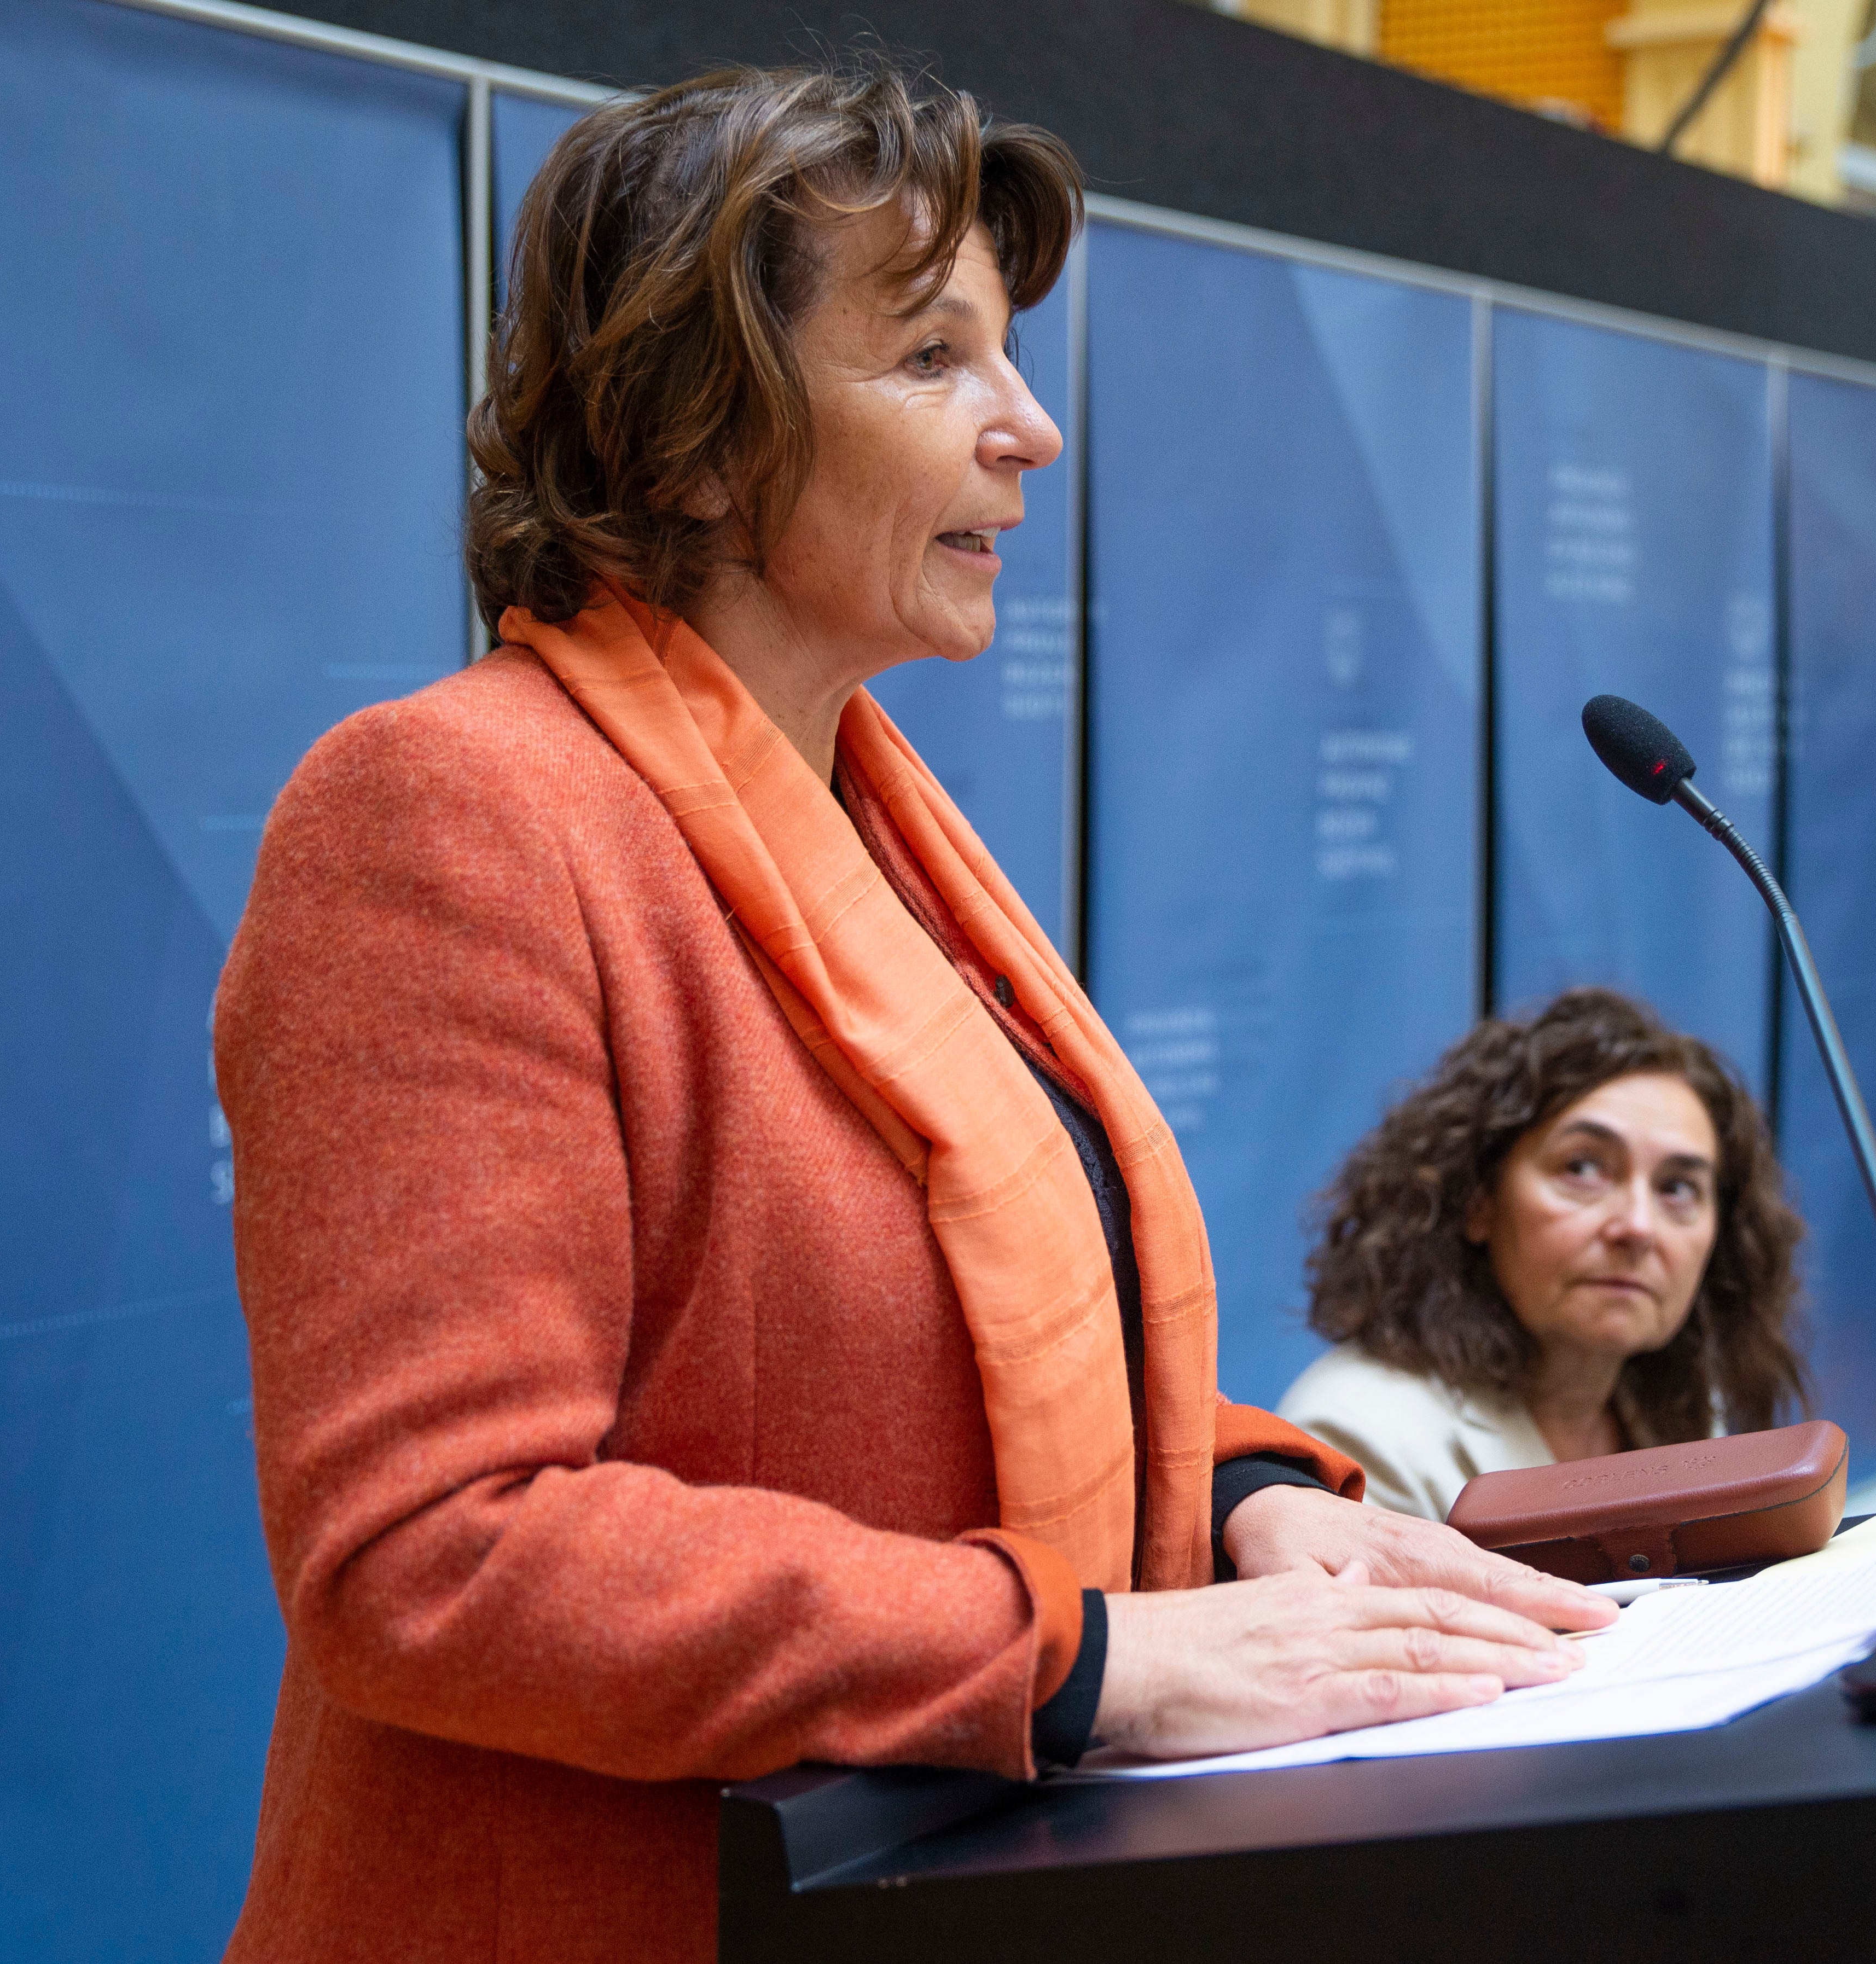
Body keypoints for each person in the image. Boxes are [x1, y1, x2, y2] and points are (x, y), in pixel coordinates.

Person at [212, 59, 1608, 1964]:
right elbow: (430, 1544)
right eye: (933, 356)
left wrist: (1244, 1500)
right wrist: (1090, 1657)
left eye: (1005, 355)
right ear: (697, 437)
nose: (1029, 426)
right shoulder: (448, 814)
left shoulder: (871, 817)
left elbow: (966, 1362)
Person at [1279, 990, 1807, 1524]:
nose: (1637, 1227)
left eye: (1676, 1188)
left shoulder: (1681, 1406)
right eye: (1581, 1168)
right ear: (1478, 1200)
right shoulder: (1360, 1436)